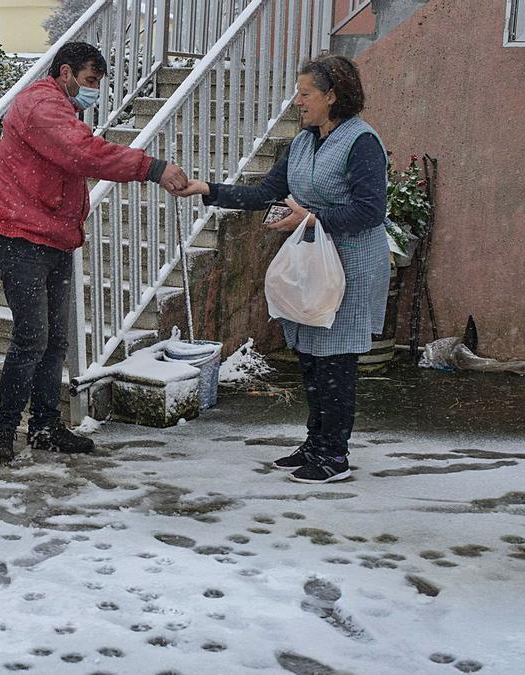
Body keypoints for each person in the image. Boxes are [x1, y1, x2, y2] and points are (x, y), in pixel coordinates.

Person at [174, 54, 390, 484]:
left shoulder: (361, 142)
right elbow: (267, 193)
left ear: (332, 95)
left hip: (350, 266)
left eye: (305, 93)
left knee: (336, 363)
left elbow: (370, 211)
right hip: (312, 263)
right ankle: (315, 442)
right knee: (310, 357)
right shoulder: (304, 140)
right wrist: (209, 190)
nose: (297, 101)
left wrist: (310, 218)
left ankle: (335, 456)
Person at [0, 41, 188, 466]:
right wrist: (152, 168)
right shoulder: (41, 105)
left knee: (55, 340)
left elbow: (73, 159)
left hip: (53, 237)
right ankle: (4, 431)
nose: (93, 90)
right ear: (65, 73)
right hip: (21, 238)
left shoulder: (60, 108)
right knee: (32, 338)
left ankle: (44, 427)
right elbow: (83, 153)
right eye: (90, 81)